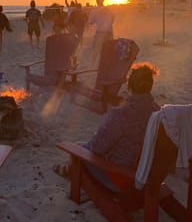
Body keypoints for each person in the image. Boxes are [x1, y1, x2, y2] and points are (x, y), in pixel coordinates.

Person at [53, 62, 160, 191]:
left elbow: (98, 148)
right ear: (150, 86)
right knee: (83, 146)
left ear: (130, 85)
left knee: (78, 150)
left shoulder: (121, 114)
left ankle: (69, 169)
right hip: (145, 171)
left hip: (120, 177)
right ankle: (69, 166)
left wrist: (79, 148)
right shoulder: (157, 111)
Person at [88, 0, 114, 65]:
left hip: (100, 32)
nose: (96, 0)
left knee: (96, 50)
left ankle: (92, 65)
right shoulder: (109, 9)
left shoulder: (94, 10)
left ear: (97, 0)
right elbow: (112, 20)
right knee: (109, 50)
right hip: (109, 32)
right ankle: (109, 64)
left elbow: (90, 22)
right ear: (103, 0)